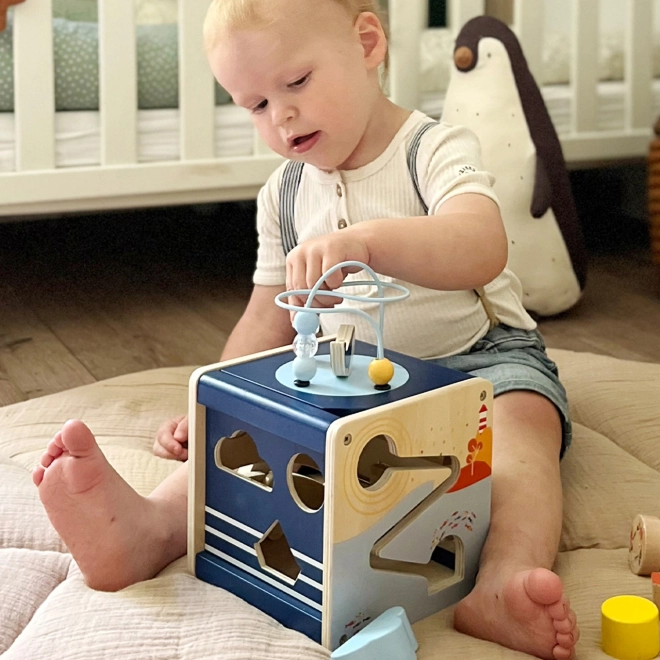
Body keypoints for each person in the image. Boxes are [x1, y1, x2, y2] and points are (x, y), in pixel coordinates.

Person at [32, 1, 579, 658]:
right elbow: (268, 315)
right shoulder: (285, 194)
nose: (281, 116)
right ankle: (147, 530)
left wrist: (370, 243)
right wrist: (210, 400)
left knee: (522, 437)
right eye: (256, 105)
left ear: (367, 44)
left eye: (296, 83)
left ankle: (503, 580)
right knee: (248, 445)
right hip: (340, 381)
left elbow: (481, 244)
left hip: (475, 362)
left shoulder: (431, 147)